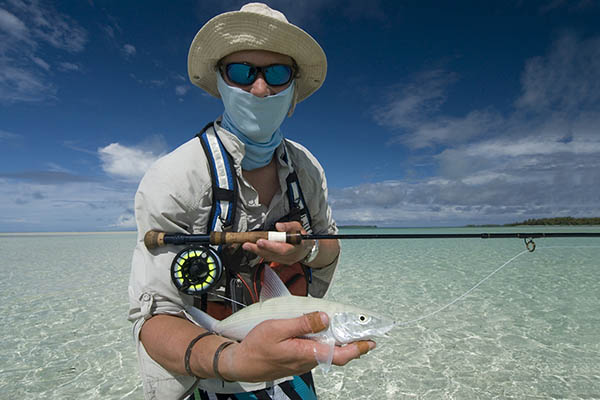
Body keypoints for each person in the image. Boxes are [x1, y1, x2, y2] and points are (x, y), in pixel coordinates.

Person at [128, 3, 375, 399]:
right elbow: (154, 317)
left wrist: (306, 251)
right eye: (242, 72)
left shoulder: (307, 169)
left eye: (277, 74)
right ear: (220, 81)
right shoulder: (175, 176)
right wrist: (235, 361)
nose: (260, 89)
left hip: (290, 366)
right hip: (203, 375)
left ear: (293, 88)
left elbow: (330, 247)